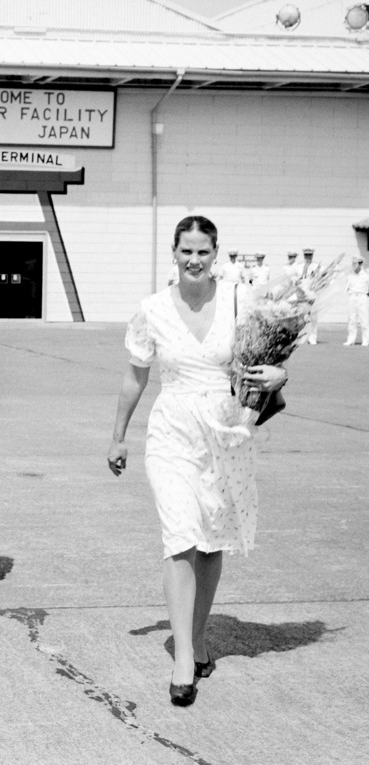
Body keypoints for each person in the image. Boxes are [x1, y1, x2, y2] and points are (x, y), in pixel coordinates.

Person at [107, 215, 287, 708]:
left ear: (215, 253)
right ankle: (183, 657)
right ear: (174, 252)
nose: (194, 260)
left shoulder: (238, 301)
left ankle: (200, 634)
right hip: (171, 433)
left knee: (210, 542)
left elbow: (270, 359)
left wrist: (279, 374)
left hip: (226, 433)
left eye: (203, 252)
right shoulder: (151, 310)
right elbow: (135, 378)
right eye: (186, 251)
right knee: (181, 536)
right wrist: (118, 436)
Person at [343, 254, 369, 346]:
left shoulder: (366, 275)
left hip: (362, 297)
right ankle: (351, 339)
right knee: (351, 320)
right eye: (353, 263)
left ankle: (366, 340)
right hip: (352, 297)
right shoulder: (350, 275)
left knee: (364, 320)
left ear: (360, 263)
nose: (354, 265)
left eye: (356, 263)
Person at [299, 248, 321, 344]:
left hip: (313, 295)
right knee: (303, 317)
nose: (308, 257)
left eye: (309, 255)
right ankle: (303, 336)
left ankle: (313, 337)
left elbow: (321, 278)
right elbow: (296, 279)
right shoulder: (299, 266)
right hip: (303, 295)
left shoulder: (316, 266)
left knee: (313, 317)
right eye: (306, 255)